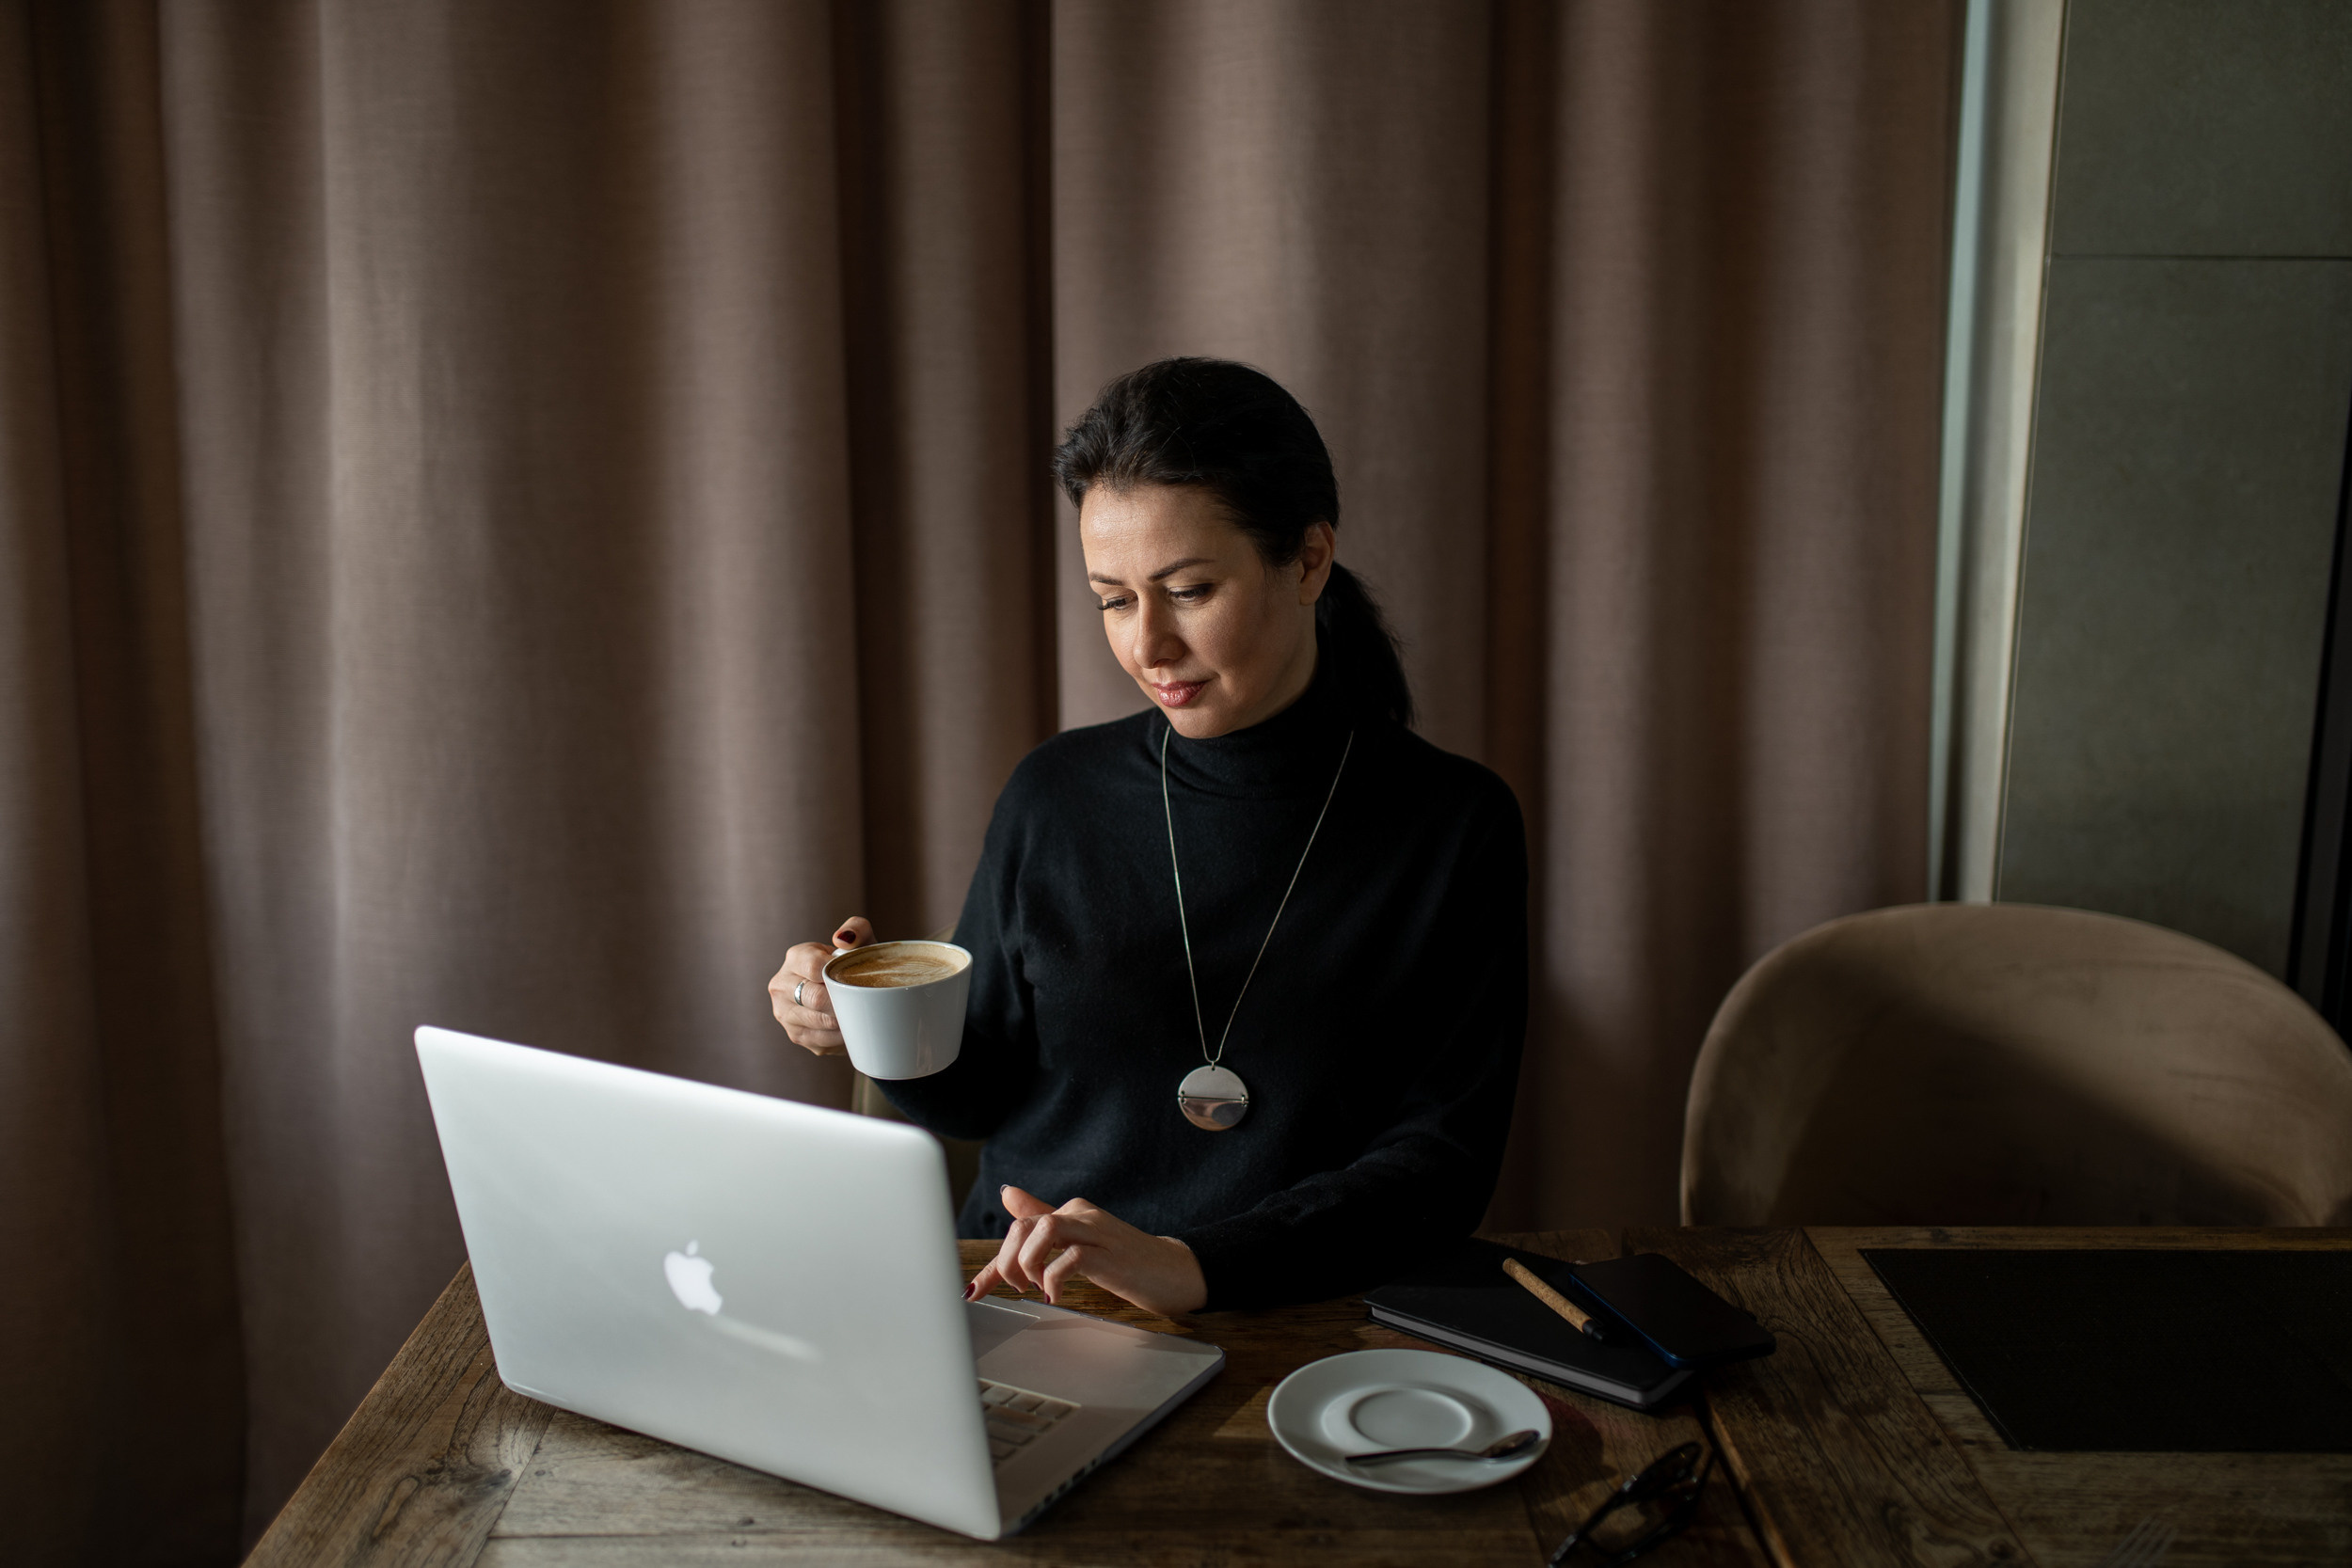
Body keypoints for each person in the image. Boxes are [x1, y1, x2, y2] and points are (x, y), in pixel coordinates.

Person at [769, 357, 1526, 1318]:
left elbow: (1441, 1165)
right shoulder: (1055, 792)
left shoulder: (1454, 824)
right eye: (1113, 599)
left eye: (1189, 590)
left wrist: (1194, 1263)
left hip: (1299, 1309)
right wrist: (867, 1018)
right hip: (1029, 1296)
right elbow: (981, 1095)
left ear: (1307, 559)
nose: (1148, 647)